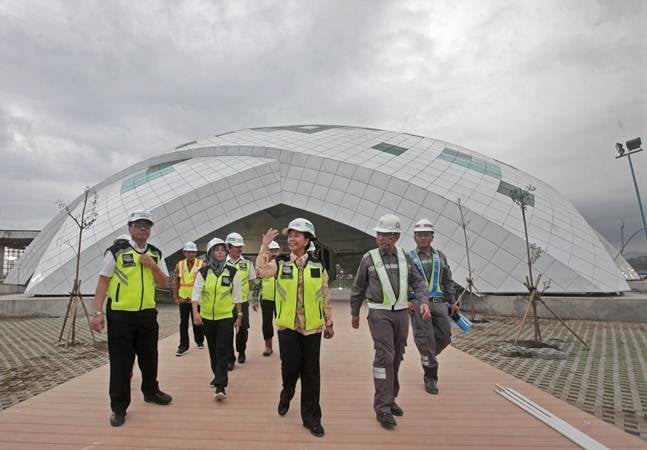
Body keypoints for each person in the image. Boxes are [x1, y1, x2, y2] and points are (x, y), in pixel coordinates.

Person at [91, 211, 172, 427]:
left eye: (146, 225)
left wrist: (152, 265)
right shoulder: (116, 251)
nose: (143, 228)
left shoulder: (155, 253)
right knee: (120, 362)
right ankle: (119, 407)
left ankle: (151, 392)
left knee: (150, 357)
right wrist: (98, 313)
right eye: (138, 225)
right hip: (120, 315)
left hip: (146, 314)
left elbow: (164, 283)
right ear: (130, 228)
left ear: (150, 229)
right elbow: (102, 282)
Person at [350, 213, 431, 429]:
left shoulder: (405, 257)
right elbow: (358, 287)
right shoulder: (369, 258)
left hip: (402, 314)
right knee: (384, 357)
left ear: (395, 236)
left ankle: (391, 397)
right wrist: (355, 312)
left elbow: (419, 283)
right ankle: (382, 408)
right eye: (378, 234)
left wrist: (423, 301)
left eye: (385, 235)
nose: (380, 238)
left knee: (396, 357)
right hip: (379, 314)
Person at [256, 219, 333, 438]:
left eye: (297, 235)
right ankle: (287, 392)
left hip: (312, 327)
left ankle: (311, 417)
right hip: (287, 326)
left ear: (307, 240)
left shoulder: (319, 265)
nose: (291, 238)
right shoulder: (279, 262)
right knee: (290, 369)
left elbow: (324, 295)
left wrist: (329, 323)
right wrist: (264, 246)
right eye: (290, 235)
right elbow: (261, 272)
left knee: (311, 373)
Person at [408, 219, 457, 395]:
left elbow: (447, 280)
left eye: (426, 235)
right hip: (418, 304)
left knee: (445, 337)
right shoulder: (408, 257)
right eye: (419, 235)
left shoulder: (440, 256)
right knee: (425, 339)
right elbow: (402, 281)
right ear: (414, 237)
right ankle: (430, 377)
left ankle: (428, 356)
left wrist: (452, 302)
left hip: (439, 303)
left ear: (432, 237)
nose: (423, 238)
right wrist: (406, 300)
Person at [191, 237, 243, 401]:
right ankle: (217, 376)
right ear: (210, 253)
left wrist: (239, 316)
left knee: (222, 349)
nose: (220, 252)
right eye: (216, 249)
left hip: (226, 317)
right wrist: (196, 313)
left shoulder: (232, 272)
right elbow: (195, 295)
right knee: (213, 349)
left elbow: (237, 297)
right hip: (207, 318)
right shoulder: (204, 272)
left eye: (222, 249)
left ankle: (221, 386)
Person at [225, 232, 256, 368]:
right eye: (236, 246)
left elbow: (251, 282)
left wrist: (247, 296)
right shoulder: (221, 263)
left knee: (242, 329)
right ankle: (230, 359)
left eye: (240, 246)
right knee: (226, 331)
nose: (239, 249)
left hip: (242, 302)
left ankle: (241, 351)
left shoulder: (247, 263)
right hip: (225, 303)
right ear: (229, 247)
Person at [172, 241, 205, 356]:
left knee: (198, 321)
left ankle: (199, 340)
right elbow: (175, 281)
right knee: (183, 323)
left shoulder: (202, 264)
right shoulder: (179, 265)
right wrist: (175, 296)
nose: (190, 254)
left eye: (193, 252)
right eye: (188, 252)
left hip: (197, 299)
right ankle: (183, 346)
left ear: (196, 253)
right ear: (184, 252)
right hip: (183, 299)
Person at [252, 240, 281, 357]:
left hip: (282, 301)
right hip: (266, 300)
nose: (273, 253)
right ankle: (268, 346)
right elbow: (257, 283)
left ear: (279, 252)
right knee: (267, 324)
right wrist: (254, 300)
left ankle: (285, 347)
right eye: (271, 250)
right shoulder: (263, 268)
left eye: (275, 250)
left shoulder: (284, 265)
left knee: (283, 324)